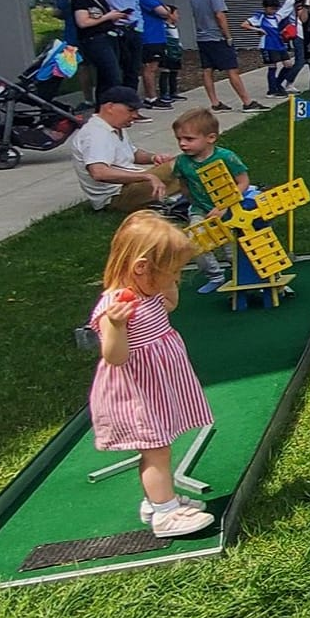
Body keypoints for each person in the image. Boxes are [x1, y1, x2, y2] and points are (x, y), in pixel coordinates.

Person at [87, 211, 216, 538]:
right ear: (142, 268)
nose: (176, 277)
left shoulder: (148, 290)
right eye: (172, 270)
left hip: (158, 383)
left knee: (160, 445)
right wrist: (116, 326)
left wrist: (168, 283)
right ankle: (165, 515)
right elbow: (114, 357)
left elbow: (168, 306)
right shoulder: (114, 305)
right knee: (156, 449)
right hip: (136, 391)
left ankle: (158, 500)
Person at [166, 106, 247, 293]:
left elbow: (243, 182)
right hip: (200, 208)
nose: (183, 144)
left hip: (229, 208)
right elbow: (183, 183)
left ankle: (239, 273)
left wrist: (225, 205)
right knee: (195, 241)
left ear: (210, 138)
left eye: (189, 139)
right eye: (179, 139)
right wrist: (191, 202)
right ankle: (215, 275)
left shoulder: (226, 157)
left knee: (229, 247)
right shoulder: (182, 162)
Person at [71, 86, 169, 212]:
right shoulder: (95, 134)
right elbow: (99, 172)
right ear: (110, 107)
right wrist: (145, 176)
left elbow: (132, 153)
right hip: (116, 197)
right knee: (183, 165)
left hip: (129, 187)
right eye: (131, 110)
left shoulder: (114, 126)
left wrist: (154, 157)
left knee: (184, 162)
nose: (135, 115)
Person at [189, 0, 259, 112]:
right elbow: (220, 16)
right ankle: (247, 102)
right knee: (232, 69)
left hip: (202, 37)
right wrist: (228, 36)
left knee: (207, 70)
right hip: (216, 37)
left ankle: (215, 103)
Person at [68, 0, 132, 94]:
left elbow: (100, 17)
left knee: (105, 79)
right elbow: (83, 22)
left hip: (109, 37)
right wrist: (107, 17)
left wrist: (115, 17)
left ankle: (102, 107)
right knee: (112, 76)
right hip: (95, 40)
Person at [98, 0, 145, 93]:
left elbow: (135, 3)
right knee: (114, 70)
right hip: (114, 28)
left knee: (133, 69)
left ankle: (131, 104)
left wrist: (139, 26)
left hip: (133, 27)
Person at [134, 0, 176, 108]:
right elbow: (164, 12)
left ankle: (152, 96)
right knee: (150, 67)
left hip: (155, 35)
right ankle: (151, 98)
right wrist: (166, 10)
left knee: (153, 66)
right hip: (150, 36)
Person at [245, 0, 292, 97]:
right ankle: (272, 90)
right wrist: (258, 30)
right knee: (272, 67)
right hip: (267, 45)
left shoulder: (277, 17)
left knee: (288, 65)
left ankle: (277, 84)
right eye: (271, 8)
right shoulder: (259, 17)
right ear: (265, 7)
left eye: (275, 8)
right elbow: (244, 25)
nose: (273, 10)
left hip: (279, 44)